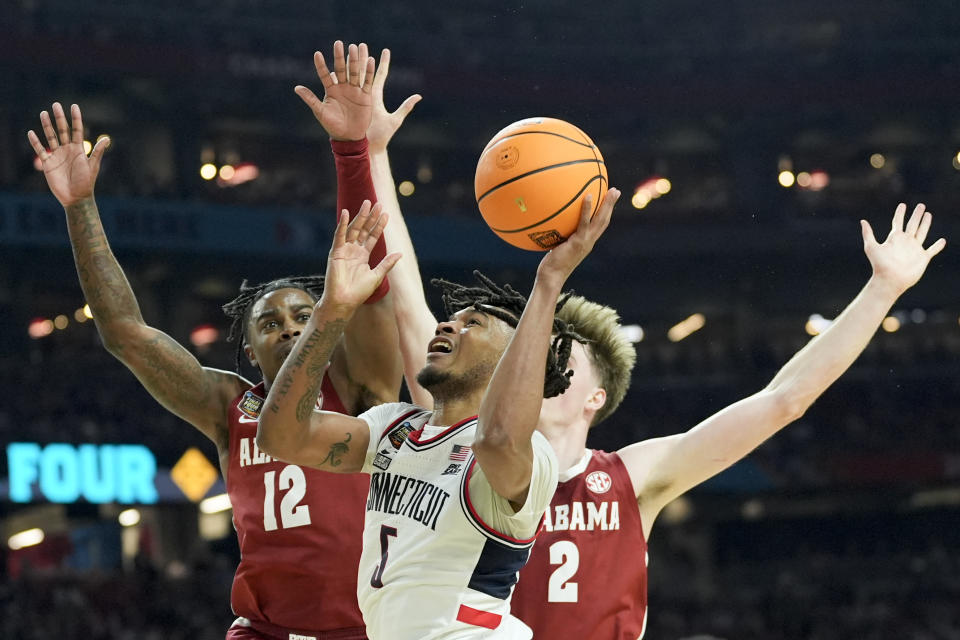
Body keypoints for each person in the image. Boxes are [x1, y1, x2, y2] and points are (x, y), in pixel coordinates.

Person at [360, 56, 949, 637]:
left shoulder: (634, 476)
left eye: (561, 359)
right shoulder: (466, 449)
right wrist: (372, 154)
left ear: (595, 397)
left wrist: (882, 290)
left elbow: (783, 400)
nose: (541, 364)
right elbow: (406, 294)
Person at [26, 41, 402, 640]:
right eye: (271, 324)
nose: (290, 329)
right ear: (250, 351)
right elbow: (125, 333)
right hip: (263, 631)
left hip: (366, 629)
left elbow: (370, 269)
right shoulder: (230, 407)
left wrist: (351, 150)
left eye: (304, 316)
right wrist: (81, 207)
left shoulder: (363, 390)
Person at [256, 161, 622, 640]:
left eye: (474, 323)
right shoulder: (393, 427)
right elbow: (281, 437)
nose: (449, 324)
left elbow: (496, 438)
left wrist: (548, 282)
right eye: (452, 317)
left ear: (513, 358)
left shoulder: (530, 457)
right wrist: (332, 311)